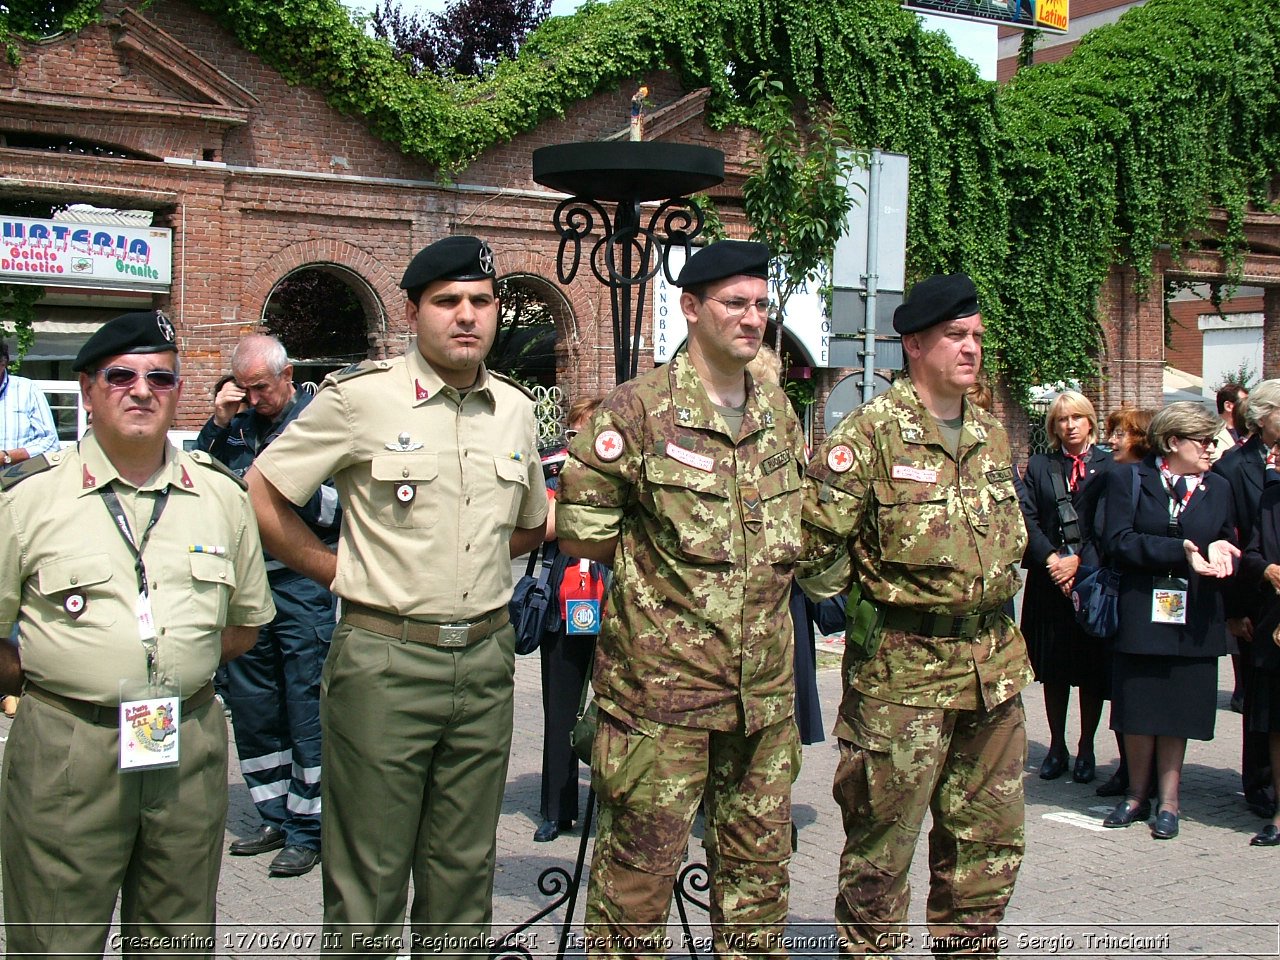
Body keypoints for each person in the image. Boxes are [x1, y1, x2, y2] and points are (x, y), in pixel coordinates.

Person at [245, 236, 547, 953]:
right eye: (447, 302)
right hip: (385, 659)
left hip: (483, 659)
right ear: (414, 312)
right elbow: (263, 490)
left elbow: (531, 526)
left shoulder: (513, 410)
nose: (466, 316)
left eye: (480, 301)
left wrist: (456, 564)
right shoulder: (362, 398)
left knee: (464, 871)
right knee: (371, 876)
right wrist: (335, 570)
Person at [556, 240, 806, 957]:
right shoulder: (636, 412)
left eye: (761, 304)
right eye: (735, 302)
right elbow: (584, 534)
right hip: (659, 707)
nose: (752, 317)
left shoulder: (779, 414)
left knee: (759, 895)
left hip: (761, 702)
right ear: (692, 309)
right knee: (634, 900)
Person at [0, 310, 274, 958]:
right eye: (120, 376)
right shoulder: (28, 501)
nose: (141, 389)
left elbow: (244, 626)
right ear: (88, 389)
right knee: (54, 943)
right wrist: (56, 675)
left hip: (187, 742)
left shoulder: (221, 496)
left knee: (177, 942)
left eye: (160, 376)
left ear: (179, 390)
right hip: (70, 745)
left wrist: (178, 668)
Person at [799, 272, 1033, 954]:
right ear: (914, 346)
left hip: (994, 671)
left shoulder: (989, 434)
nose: (971, 350)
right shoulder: (870, 436)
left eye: (977, 338)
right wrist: (866, 603)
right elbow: (814, 553)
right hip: (902, 683)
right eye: (955, 337)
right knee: (881, 859)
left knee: (987, 851)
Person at [195, 334, 341, 877]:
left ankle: (309, 828)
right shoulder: (235, 427)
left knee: (305, 708)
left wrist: (278, 491)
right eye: (245, 389)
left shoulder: (316, 425)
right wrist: (216, 425)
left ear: (288, 375)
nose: (255, 399)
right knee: (256, 710)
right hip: (243, 588)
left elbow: (340, 506)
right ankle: (274, 815)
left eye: (262, 388)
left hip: (302, 586)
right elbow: (201, 488)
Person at [1100, 401, 1239, 840]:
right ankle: (1135, 796)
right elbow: (1117, 540)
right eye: (1204, 441)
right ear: (1173, 441)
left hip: (1193, 613)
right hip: (1144, 609)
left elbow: (1227, 532)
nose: (1212, 449)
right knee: (1139, 707)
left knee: (1177, 709)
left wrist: (1219, 547)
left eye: (1214, 440)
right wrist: (1178, 551)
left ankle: (1170, 802)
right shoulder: (1129, 478)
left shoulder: (1218, 486)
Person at [1018, 391, 1112, 784]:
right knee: (1053, 670)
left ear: (1090, 421)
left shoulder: (1109, 466)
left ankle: (1087, 746)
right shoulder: (1041, 465)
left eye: (1076, 417)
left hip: (1091, 580)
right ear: (1053, 426)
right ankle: (1057, 746)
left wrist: (1079, 562)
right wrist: (1053, 559)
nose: (1069, 425)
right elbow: (1026, 516)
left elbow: (1109, 523)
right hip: (1048, 580)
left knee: (1091, 671)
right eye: (1061, 419)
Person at [534, 394, 605, 843]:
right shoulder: (552, 469)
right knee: (559, 707)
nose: (582, 440)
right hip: (564, 597)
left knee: (620, 707)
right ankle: (556, 809)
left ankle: (618, 802)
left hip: (617, 596)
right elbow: (542, 527)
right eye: (576, 432)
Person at [1215, 380, 1280, 820]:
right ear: (1263, 416)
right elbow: (1227, 538)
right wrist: (1234, 612)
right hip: (1254, 597)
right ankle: (1258, 781)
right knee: (1259, 698)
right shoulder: (1234, 466)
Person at [1094, 406, 1155, 798]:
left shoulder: (1132, 479)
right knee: (1121, 687)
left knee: (1132, 688)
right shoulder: (1117, 476)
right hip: (1121, 593)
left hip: (1133, 596)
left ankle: (1136, 775)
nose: (1112, 441)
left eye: (1121, 434)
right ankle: (1132, 772)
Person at [1210, 381, 1248, 463]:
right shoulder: (1211, 434)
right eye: (1243, 403)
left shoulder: (1249, 431)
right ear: (1228, 406)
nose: (1248, 408)